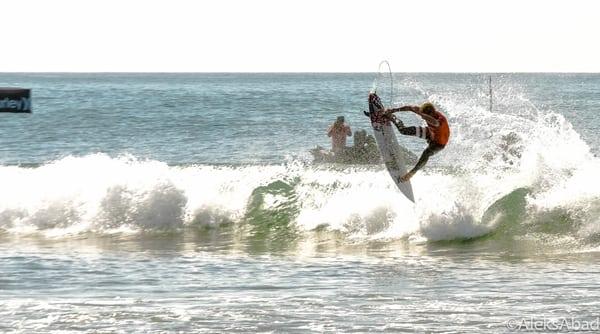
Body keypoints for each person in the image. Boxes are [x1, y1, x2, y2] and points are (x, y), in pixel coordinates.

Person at [384, 101, 450, 182]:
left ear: (432, 113)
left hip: (439, 143)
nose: (423, 118)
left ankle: (411, 173)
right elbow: (410, 107)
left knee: (427, 153)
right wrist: (393, 110)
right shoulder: (424, 112)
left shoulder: (441, 119)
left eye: (425, 116)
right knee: (404, 130)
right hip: (430, 133)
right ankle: (391, 117)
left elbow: (435, 123)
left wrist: (423, 116)